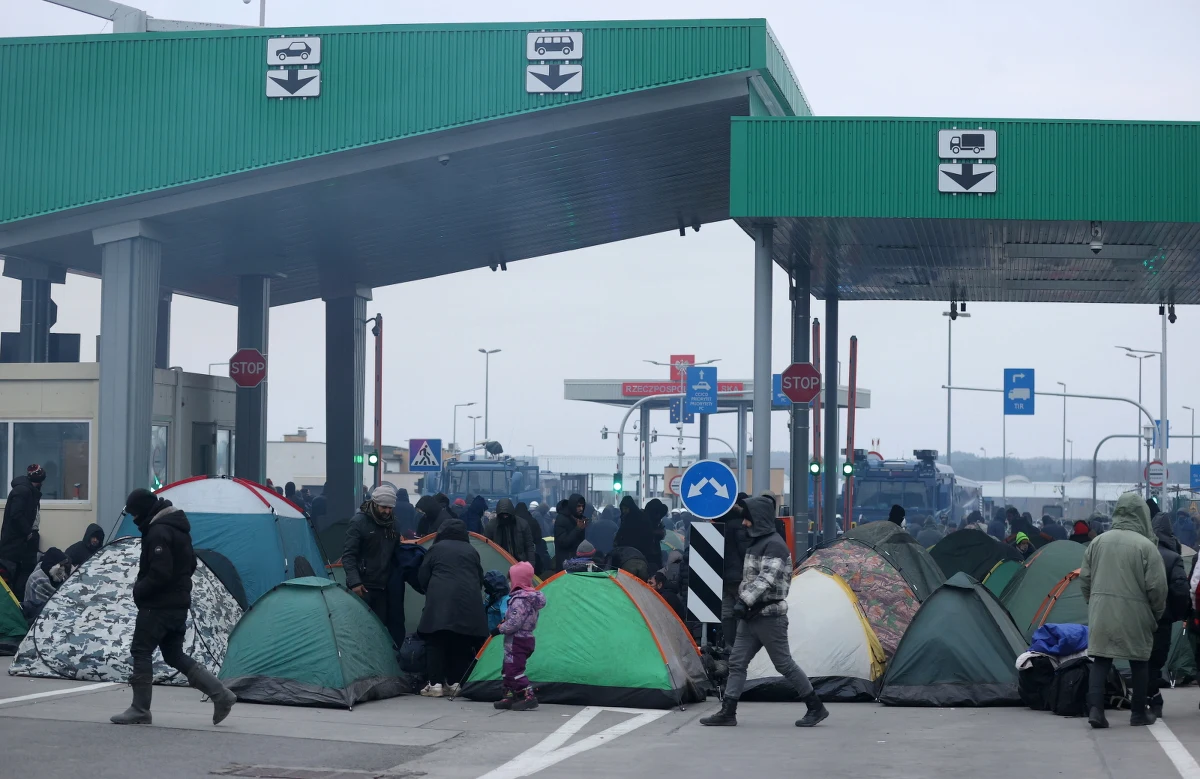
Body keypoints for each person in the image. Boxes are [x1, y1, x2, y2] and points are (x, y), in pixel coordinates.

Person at [110, 488, 236, 726]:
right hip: (178, 604)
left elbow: (160, 573)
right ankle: (221, 694)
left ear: (143, 511)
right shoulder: (178, 528)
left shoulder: (158, 532)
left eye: (135, 514)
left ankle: (140, 709)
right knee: (173, 654)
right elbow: (191, 564)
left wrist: (139, 590)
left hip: (158, 605)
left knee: (141, 650)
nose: (134, 520)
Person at [701, 495, 827, 728]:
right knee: (737, 663)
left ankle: (815, 706)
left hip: (769, 616)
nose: (744, 523)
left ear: (758, 520)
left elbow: (765, 578)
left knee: (784, 664)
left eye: (748, 519)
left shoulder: (774, 545)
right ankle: (728, 712)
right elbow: (754, 578)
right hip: (751, 615)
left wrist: (743, 601)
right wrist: (744, 603)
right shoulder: (758, 542)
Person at [1079, 492, 1167, 728]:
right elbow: (1157, 588)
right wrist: (1155, 614)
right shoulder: (1147, 547)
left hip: (1102, 611)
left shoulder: (1098, 542)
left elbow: (1084, 578)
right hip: (1136, 613)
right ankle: (1138, 712)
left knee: (1101, 659)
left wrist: (1093, 603)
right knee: (1139, 660)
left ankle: (1096, 710)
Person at [417, 518, 488, 697]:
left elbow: (423, 576)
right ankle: (455, 683)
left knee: (435, 641)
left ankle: (435, 684)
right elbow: (479, 578)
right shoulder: (472, 550)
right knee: (460, 642)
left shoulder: (435, 548)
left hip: (440, 602)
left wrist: (430, 592)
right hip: (467, 604)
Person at [1149, 507, 1191, 717]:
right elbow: (1181, 589)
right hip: (1163, 617)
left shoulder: (1142, 552)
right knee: (1157, 658)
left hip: (1139, 616)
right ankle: (1153, 698)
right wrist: (1178, 613)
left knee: (1141, 658)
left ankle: (1148, 698)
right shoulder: (1173, 557)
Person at [492, 561, 546, 711]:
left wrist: (500, 629)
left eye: (511, 579)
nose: (509, 583)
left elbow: (515, 623)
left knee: (514, 670)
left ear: (517, 580)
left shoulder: (520, 600)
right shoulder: (529, 599)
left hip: (517, 640)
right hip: (524, 639)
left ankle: (528, 696)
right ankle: (509, 696)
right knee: (507, 669)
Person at [341, 484, 399, 622]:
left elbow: (395, 553)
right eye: (384, 507)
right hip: (363, 586)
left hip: (383, 587)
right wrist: (355, 582)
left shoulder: (393, 524)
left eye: (390, 508)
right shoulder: (358, 522)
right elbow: (349, 555)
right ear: (375, 503)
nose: (387, 511)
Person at [0, 464, 46, 594]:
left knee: (21, 577)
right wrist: (28, 532)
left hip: (22, 545)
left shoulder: (30, 491)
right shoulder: (23, 491)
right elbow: (16, 515)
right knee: (10, 579)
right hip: (14, 546)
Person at [719, 496, 750, 649]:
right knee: (740, 610)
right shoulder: (741, 527)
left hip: (724, 576)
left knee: (727, 611)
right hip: (740, 576)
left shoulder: (720, 526)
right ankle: (739, 645)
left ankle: (728, 645)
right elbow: (746, 552)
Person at [21, 547, 73, 621]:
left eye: (63, 565)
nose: (62, 568)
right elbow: (38, 607)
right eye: (60, 565)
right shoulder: (37, 580)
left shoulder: (58, 578)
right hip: (35, 618)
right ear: (52, 565)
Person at [614, 496, 664, 571]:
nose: (624, 511)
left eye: (626, 508)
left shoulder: (640, 519)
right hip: (630, 555)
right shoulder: (626, 519)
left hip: (640, 555)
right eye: (623, 509)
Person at [485, 499, 536, 563]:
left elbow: (529, 546)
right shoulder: (491, 526)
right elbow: (487, 547)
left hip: (519, 562)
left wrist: (531, 564)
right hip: (500, 563)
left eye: (507, 515)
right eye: (503, 515)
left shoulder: (522, 524)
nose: (505, 517)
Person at [552, 494, 588, 570]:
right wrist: (577, 529)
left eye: (582, 506)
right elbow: (563, 542)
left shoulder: (580, 518)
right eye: (578, 506)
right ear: (573, 505)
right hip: (565, 563)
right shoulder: (561, 519)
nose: (581, 509)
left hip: (578, 561)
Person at [515, 502, 550, 574]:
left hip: (515, 555)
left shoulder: (513, 522)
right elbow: (539, 536)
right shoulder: (532, 520)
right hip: (532, 553)